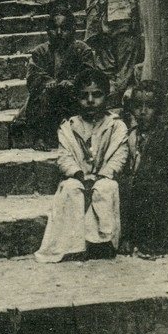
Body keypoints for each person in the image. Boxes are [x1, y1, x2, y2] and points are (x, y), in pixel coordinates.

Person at [35, 68, 129, 263]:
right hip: (79, 177)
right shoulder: (69, 127)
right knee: (70, 188)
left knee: (106, 188)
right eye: (84, 96)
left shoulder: (116, 125)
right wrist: (78, 175)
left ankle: (102, 242)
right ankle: (74, 245)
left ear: (107, 96)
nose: (90, 101)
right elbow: (64, 157)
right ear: (76, 98)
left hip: (105, 177)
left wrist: (102, 175)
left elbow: (119, 156)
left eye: (97, 95)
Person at [10, 7, 95, 150]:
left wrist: (73, 81)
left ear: (73, 30)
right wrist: (48, 82)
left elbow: (89, 73)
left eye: (65, 28)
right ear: (47, 31)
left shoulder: (82, 50)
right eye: (54, 29)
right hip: (48, 100)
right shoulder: (40, 51)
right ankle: (41, 137)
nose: (59, 33)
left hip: (73, 98)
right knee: (41, 96)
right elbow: (33, 75)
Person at [121, 80, 168, 256]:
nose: (143, 112)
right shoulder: (131, 135)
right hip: (135, 189)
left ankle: (154, 239)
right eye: (138, 106)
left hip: (157, 189)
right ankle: (128, 237)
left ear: (159, 109)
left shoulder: (165, 134)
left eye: (150, 106)